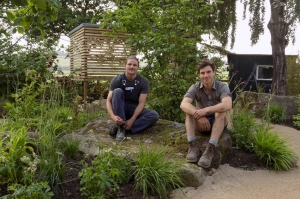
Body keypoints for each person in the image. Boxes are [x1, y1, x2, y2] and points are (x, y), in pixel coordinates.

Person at [180, 58, 232, 168]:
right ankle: (192, 146)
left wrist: (206, 110)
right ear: (199, 75)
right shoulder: (195, 87)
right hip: (203, 124)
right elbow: (183, 104)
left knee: (220, 112)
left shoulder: (222, 86)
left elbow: (228, 105)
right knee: (189, 112)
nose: (206, 75)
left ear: (214, 72)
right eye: (202, 73)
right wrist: (197, 115)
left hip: (219, 122)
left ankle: (210, 150)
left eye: (208, 72)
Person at [106, 56, 159, 141]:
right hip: (120, 108)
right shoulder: (117, 80)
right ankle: (121, 128)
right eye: (129, 64)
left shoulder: (143, 81)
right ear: (125, 66)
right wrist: (113, 117)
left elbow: (141, 103)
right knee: (117, 91)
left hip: (134, 109)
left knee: (154, 115)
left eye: (134, 65)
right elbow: (109, 101)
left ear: (137, 67)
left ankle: (123, 128)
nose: (131, 67)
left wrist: (132, 119)